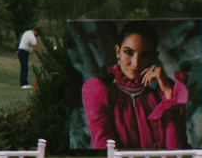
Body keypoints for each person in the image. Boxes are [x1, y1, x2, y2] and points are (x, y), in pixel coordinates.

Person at [81, 22, 190, 151]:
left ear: (154, 57)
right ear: (118, 52)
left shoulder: (163, 99)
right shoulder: (100, 92)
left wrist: (168, 93)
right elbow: (103, 150)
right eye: (128, 52)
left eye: (145, 55)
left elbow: (176, 151)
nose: (136, 63)